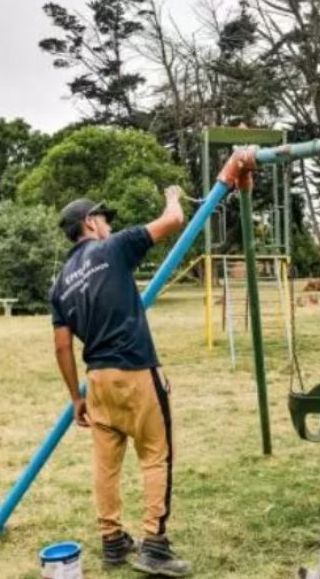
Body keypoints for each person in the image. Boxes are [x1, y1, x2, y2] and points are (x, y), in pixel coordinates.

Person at [50, 189, 191, 576]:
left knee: (106, 466)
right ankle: (155, 546)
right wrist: (173, 196)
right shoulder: (112, 247)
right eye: (104, 219)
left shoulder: (60, 283)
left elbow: (62, 347)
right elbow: (173, 221)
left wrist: (74, 398)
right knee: (155, 455)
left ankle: (112, 541)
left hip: (97, 381)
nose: (109, 224)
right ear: (91, 224)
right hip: (136, 371)